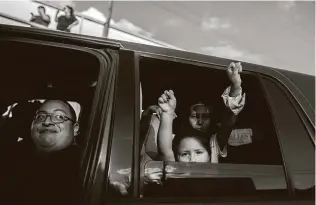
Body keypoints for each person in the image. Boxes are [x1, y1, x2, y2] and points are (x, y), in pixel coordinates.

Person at [157, 62, 246, 163]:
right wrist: (167, 112)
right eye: (195, 116)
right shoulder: (177, 141)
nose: (200, 121)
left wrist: (236, 85)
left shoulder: (214, 143)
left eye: (205, 116)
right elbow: (166, 153)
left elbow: (229, 120)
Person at [1, 100, 81, 205]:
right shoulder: (10, 156)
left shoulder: (83, 167)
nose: (47, 122)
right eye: (40, 116)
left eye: (59, 117)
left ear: (75, 129)